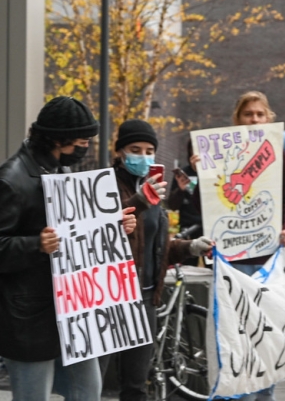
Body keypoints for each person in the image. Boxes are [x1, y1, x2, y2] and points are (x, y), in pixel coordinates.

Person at [0, 96, 134, 401]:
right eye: (81, 141)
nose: (85, 147)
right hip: (30, 319)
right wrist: (36, 245)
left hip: (74, 312)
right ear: (57, 139)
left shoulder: (60, 172)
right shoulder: (11, 180)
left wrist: (115, 227)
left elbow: (77, 232)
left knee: (88, 392)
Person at [191, 91, 285, 401]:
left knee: (265, 334)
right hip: (229, 262)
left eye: (259, 114)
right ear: (237, 119)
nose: (254, 119)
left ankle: (264, 395)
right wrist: (197, 173)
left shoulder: (275, 156)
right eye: (248, 114)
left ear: (268, 118)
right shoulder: (213, 156)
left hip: (266, 261)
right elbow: (196, 203)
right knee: (233, 336)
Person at [99, 119, 214, 401]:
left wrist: (192, 247)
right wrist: (139, 200)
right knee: (95, 382)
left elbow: (158, 246)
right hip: (110, 300)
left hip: (146, 298)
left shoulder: (154, 190)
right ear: (120, 152)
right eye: (135, 149)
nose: (143, 156)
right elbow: (97, 230)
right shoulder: (104, 185)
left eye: (149, 150)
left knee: (136, 384)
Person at [167, 137, 202, 235]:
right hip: (189, 229)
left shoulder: (214, 173)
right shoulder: (183, 174)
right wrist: (180, 191)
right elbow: (172, 206)